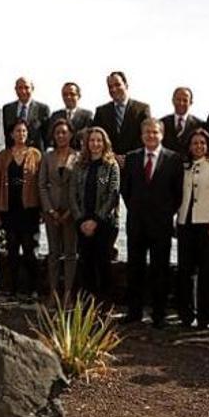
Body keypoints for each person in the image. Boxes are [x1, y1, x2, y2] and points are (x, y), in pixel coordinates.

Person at [121, 118, 183, 326]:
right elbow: (125, 189)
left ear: (162, 135)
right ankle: (134, 312)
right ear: (141, 135)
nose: (151, 135)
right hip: (136, 222)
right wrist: (137, 209)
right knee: (134, 269)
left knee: (160, 271)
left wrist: (165, 213)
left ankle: (158, 315)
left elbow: (178, 193)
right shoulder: (131, 158)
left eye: (155, 132)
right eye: (147, 132)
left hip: (161, 223)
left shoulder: (173, 159)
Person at [176, 128, 209, 329]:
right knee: (185, 271)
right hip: (186, 222)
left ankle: (205, 317)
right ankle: (186, 315)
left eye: (202, 143)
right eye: (195, 143)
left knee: (208, 272)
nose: (198, 147)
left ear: (208, 145)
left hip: (208, 224)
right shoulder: (185, 166)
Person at [0, 119, 43, 300]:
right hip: (9, 209)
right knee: (11, 251)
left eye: (23, 131)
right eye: (17, 131)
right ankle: (12, 289)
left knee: (30, 251)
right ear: (11, 134)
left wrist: (43, 209)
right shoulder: (3, 155)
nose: (20, 134)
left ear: (27, 134)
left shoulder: (36, 155)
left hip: (30, 210)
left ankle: (33, 289)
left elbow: (41, 184)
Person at [70, 126, 120, 302]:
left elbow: (112, 195)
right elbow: (73, 194)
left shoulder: (110, 166)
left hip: (105, 224)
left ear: (104, 143)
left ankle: (104, 303)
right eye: (92, 140)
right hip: (82, 223)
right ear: (86, 143)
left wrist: (96, 220)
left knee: (103, 264)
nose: (95, 144)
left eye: (99, 140)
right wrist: (81, 220)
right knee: (86, 264)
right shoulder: (79, 165)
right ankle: (87, 305)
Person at [39, 118, 79, 303]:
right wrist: (50, 209)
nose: (61, 136)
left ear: (71, 134)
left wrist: (71, 211)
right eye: (57, 133)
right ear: (53, 136)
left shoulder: (79, 157)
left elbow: (80, 186)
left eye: (64, 132)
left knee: (70, 254)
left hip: (72, 212)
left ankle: (68, 294)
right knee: (54, 254)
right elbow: (42, 185)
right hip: (52, 212)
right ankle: (53, 293)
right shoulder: (47, 157)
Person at [92, 71, 151, 164]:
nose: (114, 89)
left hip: (135, 164)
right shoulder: (101, 111)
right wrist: (112, 156)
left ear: (126, 85)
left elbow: (146, 136)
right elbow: (97, 138)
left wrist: (128, 157)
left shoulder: (142, 109)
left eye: (117, 85)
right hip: (108, 164)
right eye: (110, 87)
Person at [2, 77, 50, 152]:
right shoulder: (8, 109)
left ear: (32, 88)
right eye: (20, 88)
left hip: (36, 156)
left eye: (26, 87)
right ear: (15, 89)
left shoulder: (42, 109)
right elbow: (7, 135)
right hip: (13, 156)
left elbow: (47, 137)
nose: (23, 91)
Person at [161, 87, 204, 159]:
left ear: (191, 103)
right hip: (167, 166)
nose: (181, 103)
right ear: (173, 101)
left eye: (185, 100)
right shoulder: (162, 123)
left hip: (191, 166)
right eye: (178, 99)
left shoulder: (200, 125)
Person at [49, 82, 93, 150]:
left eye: (72, 94)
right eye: (65, 95)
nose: (68, 97)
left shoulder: (87, 115)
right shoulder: (55, 116)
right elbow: (50, 137)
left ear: (79, 96)